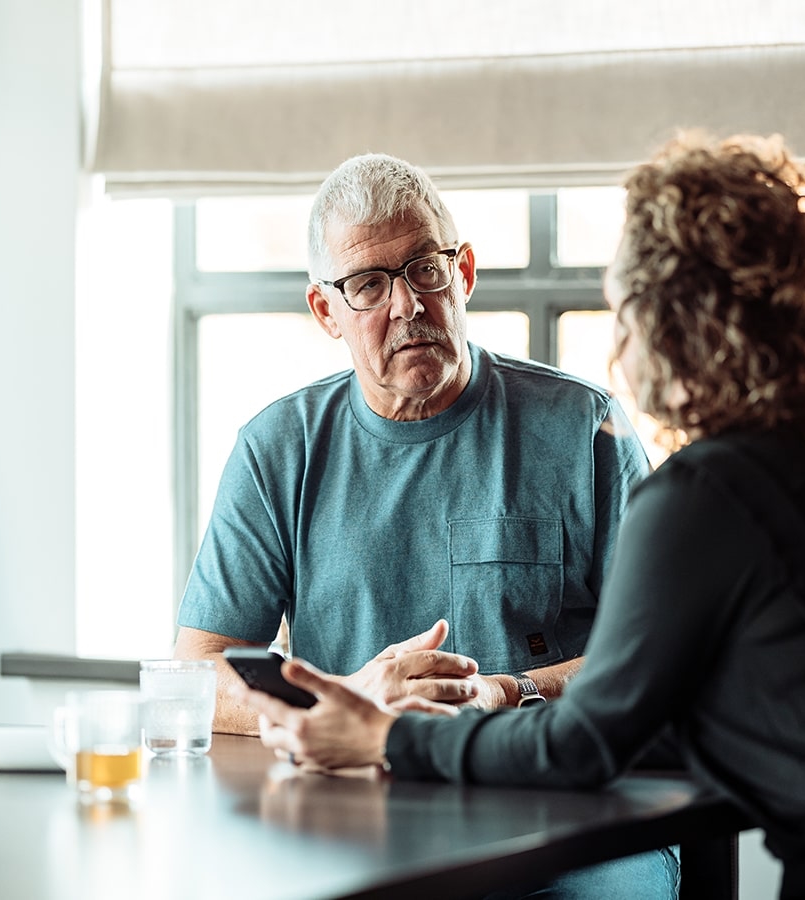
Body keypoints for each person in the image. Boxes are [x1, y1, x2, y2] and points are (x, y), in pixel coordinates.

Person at [238, 132, 805, 900]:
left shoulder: (707, 498)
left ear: (666, 326)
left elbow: (582, 744)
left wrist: (383, 738)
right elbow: (660, 713)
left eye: (623, 308)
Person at [174, 153, 673, 895]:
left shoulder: (582, 427)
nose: (405, 304)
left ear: (463, 273)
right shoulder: (276, 449)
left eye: (424, 269)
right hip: (353, 822)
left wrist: (509, 691)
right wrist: (347, 701)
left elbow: (655, 656)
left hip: (564, 814)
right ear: (325, 312)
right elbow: (196, 671)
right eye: (368, 285)